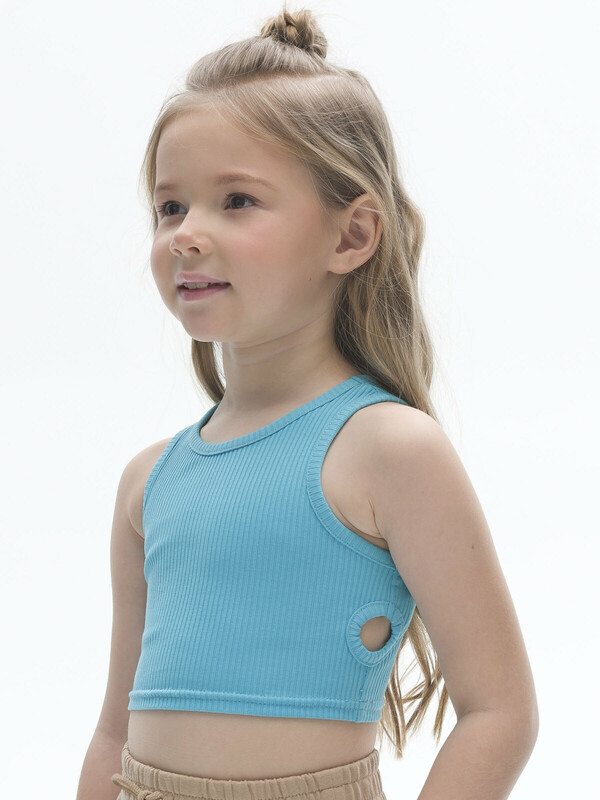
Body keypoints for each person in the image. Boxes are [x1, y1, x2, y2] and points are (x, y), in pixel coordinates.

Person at [76, 6, 539, 800]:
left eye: (237, 201)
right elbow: (114, 733)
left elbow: (500, 713)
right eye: (170, 206)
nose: (185, 233)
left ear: (351, 236)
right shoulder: (147, 484)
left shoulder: (388, 450)